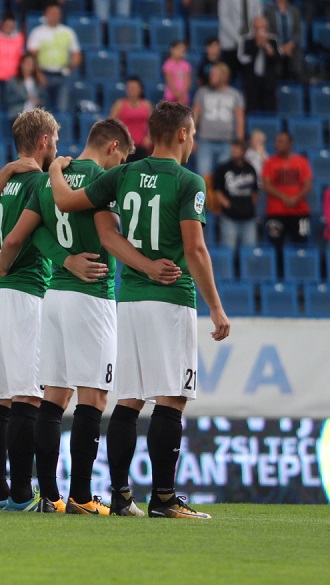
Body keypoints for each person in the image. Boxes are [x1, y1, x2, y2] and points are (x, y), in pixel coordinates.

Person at [49, 100, 231, 519]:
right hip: (170, 298)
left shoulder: (123, 174)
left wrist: (56, 170)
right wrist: (217, 309)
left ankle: (120, 494)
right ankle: (164, 499)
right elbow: (195, 249)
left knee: (128, 399)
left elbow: (76, 209)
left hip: (127, 298)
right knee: (172, 399)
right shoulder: (189, 182)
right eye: (194, 133)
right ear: (183, 134)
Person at [0, 119, 135, 514]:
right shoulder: (102, 179)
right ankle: (82, 497)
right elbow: (107, 236)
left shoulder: (47, 179)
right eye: (122, 156)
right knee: (94, 396)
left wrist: (61, 260)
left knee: (53, 397)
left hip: (53, 296)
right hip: (91, 296)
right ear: (113, 147)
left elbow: (23, 235)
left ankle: (50, 496)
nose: (119, 163)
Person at [262, 131, 312, 274]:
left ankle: (301, 275)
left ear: (290, 144)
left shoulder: (302, 162)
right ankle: (279, 278)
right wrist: (284, 197)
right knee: (275, 247)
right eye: (277, 141)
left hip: (299, 212)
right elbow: (266, 184)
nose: (277, 144)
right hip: (276, 213)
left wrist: (296, 198)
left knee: (301, 247)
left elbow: (307, 184)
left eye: (281, 141)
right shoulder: (269, 162)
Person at [192, 62, 245, 177]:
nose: (210, 76)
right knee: (204, 178)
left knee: (224, 178)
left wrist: (239, 143)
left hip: (227, 143)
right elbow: (195, 116)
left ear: (224, 76)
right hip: (205, 142)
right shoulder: (202, 92)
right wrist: (191, 137)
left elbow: (240, 120)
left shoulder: (235, 95)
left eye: (214, 74)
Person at [26, 3, 81, 114]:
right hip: (43, 75)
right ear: (45, 14)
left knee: (63, 109)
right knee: (43, 110)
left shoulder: (68, 32)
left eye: (57, 13)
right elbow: (32, 57)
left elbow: (76, 55)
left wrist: (70, 67)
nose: (54, 15)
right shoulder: (37, 33)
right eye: (52, 13)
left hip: (62, 75)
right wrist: (38, 74)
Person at [213, 139, 259, 254]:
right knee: (229, 251)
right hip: (229, 217)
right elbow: (217, 190)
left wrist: (249, 206)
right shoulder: (223, 168)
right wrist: (228, 205)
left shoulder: (250, 168)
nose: (233, 151)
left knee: (250, 253)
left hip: (248, 217)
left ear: (243, 151)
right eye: (232, 149)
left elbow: (255, 191)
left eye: (236, 149)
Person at [238, 16, 279, 114]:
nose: (260, 32)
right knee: (251, 111)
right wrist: (256, 46)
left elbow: (277, 60)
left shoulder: (273, 41)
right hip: (251, 83)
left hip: (268, 84)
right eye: (257, 29)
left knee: (270, 112)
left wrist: (269, 50)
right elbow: (243, 61)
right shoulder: (246, 41)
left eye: (263, 29)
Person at [108, 77, 153, 162]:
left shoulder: (146, 105)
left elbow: (152, 123)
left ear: (140, 90)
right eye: (129, 88)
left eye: (134, 88)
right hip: (125, 147)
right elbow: (110, 125)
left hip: (142, 146)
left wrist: (149, 137)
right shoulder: (120, 104)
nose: (131, 90)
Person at [218, 0, 261, 77]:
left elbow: (258, 17)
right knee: (230, 75)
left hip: (249, 42)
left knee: (249, 76)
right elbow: (224, 20)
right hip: (230, 42)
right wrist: (239, 39)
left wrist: (248, 39)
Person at [264, 0, 303, 83]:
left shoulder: (294, 10)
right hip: (276, 48)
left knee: (294, 68)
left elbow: (298, 31)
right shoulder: (269, 11)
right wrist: (280, 47)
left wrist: (290, 44)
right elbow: (268, 31)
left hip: (292, 49)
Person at [5, 53, 47, 122]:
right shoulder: (13, 81)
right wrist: (25, 97)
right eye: (26, 63)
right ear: (21, 64)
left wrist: (39, 101)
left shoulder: (38, 82)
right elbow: (7, 100)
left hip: (35, 115)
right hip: (17, 114)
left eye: (31, 64)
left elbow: (45, 99)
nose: (28, 66)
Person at [162, 40, 192, 106]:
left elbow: (188, 82)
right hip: (170, 96)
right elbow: (170, 82)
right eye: (179, 49)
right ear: (172, 49)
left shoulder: (186, 65)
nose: (181, 51)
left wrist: (182, 94)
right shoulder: (167, 64)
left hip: (183, 97)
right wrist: (177, 94)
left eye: (183, 50)